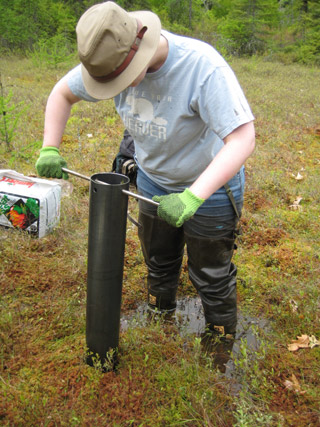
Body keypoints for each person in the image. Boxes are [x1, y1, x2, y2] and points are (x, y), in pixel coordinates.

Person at [35, 1, 255, 340]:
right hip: (153, 182)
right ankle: (160, 313)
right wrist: (50, 145)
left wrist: (193, 196)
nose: (117, 89)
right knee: (158, 259)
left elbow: (242, 138)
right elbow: (62, 94)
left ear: (139, 44)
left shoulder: (202, 67)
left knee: (210, 271)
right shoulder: (106, 56)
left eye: (121, 79)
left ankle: (220, 338)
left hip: (210, 189)